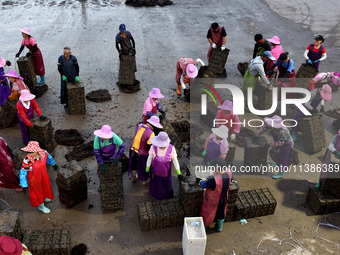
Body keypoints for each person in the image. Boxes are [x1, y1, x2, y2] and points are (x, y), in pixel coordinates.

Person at [19, 141, 58, 213]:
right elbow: (23, 173)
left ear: (37, 150)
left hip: (43, 175)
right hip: (33, 179)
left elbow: (49, 158)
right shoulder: (27, 160)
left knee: (45, 186)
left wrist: (53, 164)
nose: (29, 153)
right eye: (28, 152)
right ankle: (41, 206)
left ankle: (45, 197)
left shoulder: (44, 153)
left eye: (31, 152)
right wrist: (24, 184)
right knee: (37, 191)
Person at [196, 158, 232, 232]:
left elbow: (204, 185)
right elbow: (231, 180)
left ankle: (204, 228)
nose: (212, 168)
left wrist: (199, 181)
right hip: (224, 198)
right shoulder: (229, 172)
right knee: (221, 213)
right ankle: (219, 227)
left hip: (213, 200)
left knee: (207, 214)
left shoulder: (213, 180)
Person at [146, 132, 184, 200]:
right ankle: (156, 195)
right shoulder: (153, 147)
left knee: (165, 185)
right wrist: (147, 169)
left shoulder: (171, 148)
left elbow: (175, 161)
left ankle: (166, 196)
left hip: (166, 173)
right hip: (155, 172)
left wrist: (179, 173)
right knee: (156, 183)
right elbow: (149, 158)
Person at [255, 115, 294, 179]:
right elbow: (264, 127)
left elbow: (281, 143)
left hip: (286, 144)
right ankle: (277, 163)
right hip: (279, 141)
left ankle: (281, 173)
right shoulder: (272, 126)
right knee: (278, 153)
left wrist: (270, 144)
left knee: (283, 159)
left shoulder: (282, 131)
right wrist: (257, 135)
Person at [129, 116, 163, 184]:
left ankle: (133, 178)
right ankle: (144, 181)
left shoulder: (139, 125)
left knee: (133, 165)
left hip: (132, 150)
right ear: (154, 126)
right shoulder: (151, 133)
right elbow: (149, 146)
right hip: (141, 154)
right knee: (143, 167)